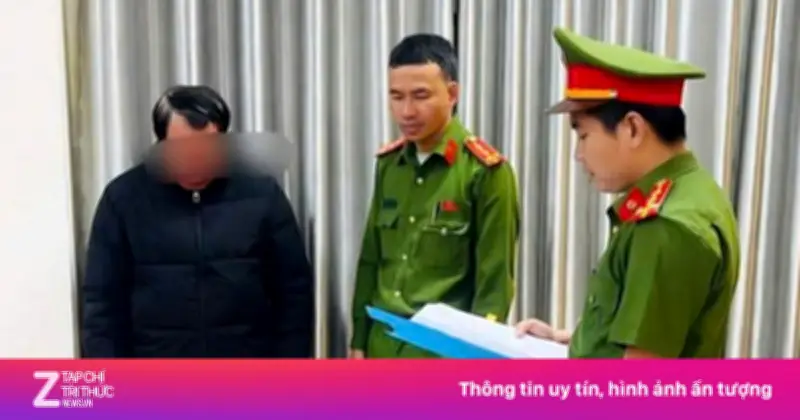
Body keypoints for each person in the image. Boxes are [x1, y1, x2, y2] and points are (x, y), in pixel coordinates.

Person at [515, 28, 740, 358]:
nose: (579, 155)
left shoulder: (666, 226)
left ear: (633, 128)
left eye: (583, 135)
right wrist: (572, 340)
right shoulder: (694, 190)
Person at [81, 85, 314, 358]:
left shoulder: (261, 194)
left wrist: (288, 367)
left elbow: (293, 291)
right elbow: (102, 301)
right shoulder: (124, 199)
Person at [349, 34, 521, 359]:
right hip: (381, 346)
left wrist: (477, 358)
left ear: (452, 94)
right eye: (396, 97)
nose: (406, 111)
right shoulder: (389, 166)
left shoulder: (485, 172)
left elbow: (494, 285)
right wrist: (359, 340)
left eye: (421, 96)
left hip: (440, 355)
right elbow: (371, 259)